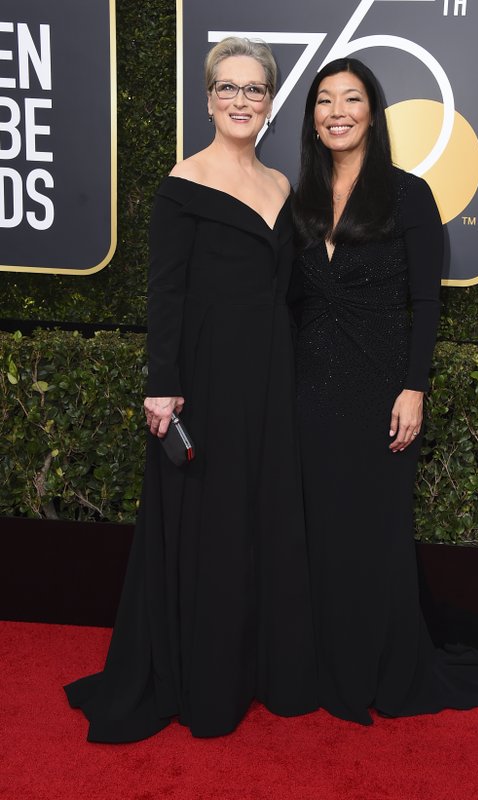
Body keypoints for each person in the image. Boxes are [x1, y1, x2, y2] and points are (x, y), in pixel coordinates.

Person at [64, 37, 318, 741]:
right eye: (227, 87)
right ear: (208, 100)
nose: (241, 100)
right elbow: (166, 291)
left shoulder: (281, 185)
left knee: (261, 515)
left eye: (254, 89)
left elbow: (291, 289)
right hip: (207, 379)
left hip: (271, 375)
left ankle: (259, 668)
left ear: (270, 103)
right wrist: (163, 385)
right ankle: (205, 680)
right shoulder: (185, 181)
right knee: (213, 523)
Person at [290, 58, 478, 724]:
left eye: (352, 99)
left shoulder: (408, 194)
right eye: (324, 100)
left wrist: (413, 387)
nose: (337, 111)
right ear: (312, 118)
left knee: (373, 533)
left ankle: (376, 664)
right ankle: (322, 660)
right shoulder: (300, 200)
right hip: (307, 390)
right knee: (316, 531)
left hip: (379, 391)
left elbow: (425, 302)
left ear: (373, 113)